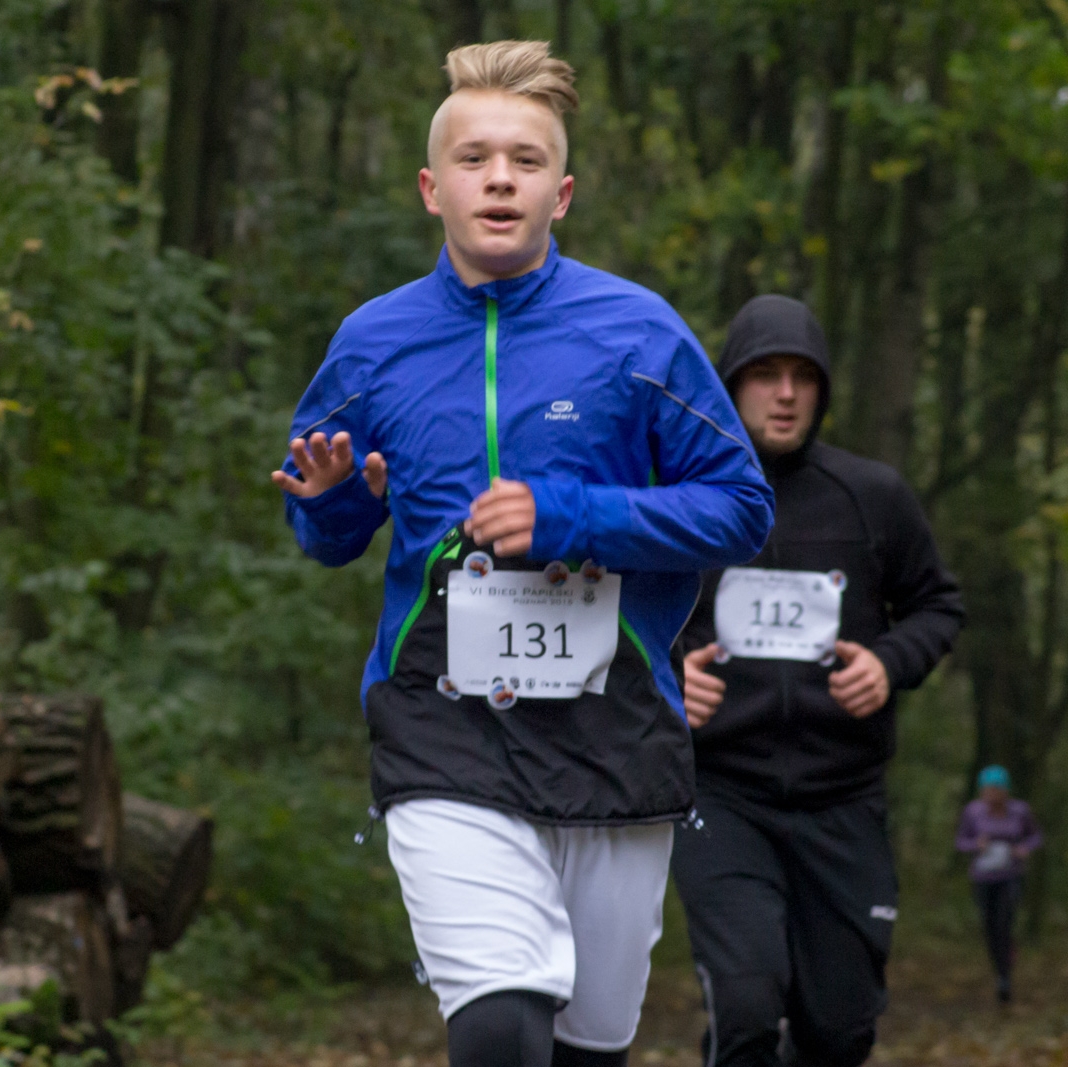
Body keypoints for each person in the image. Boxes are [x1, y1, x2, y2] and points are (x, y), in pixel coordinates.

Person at [271, 41, 774, 1067]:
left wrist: (571, 516)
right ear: (430, 186)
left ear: (563, 190)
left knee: (588, 1045)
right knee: (500, 1020)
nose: (499, 177)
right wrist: (327, 509)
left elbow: (739, 509)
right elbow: (328, 536)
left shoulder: (638, 334)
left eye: (526, 159)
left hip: (614, 729)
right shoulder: (373, 343)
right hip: (439, 729)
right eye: (473, 157)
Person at [671, 295, 965, 1067]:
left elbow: (939, 604)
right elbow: (614, 620)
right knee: (745, 1004)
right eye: (764, 374)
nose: (786, 392)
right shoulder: (683, 499)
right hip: (722, 794)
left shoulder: (872, 497)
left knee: (839, 1030)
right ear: (730, 386)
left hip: (844, 799)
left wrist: (890, 661)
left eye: (803, 376)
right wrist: (670, 681)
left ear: (824, 389)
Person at [955, 765, 1042, 1004]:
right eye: (987, 790)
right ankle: (1000, 966)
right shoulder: (973, 813)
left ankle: (1005, 975)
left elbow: (1035, 836)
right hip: (983, 878)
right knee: (989, 925)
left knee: (1005, 920)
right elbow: (961, 842)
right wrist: (976, 845)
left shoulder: (1020, 811)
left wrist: (1024, 849)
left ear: (1005, 791)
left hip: (1011, 875)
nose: (991, 795)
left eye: (996, 790)